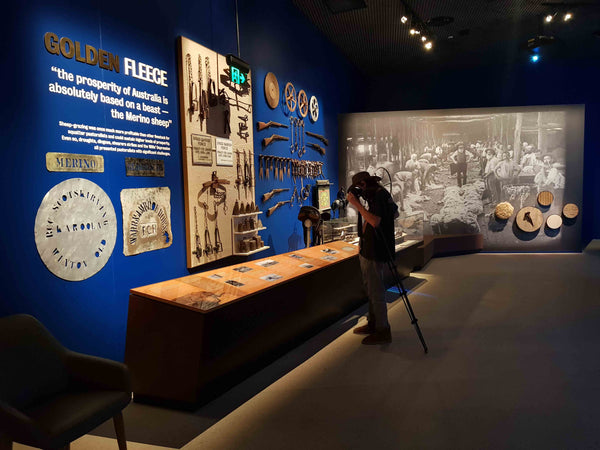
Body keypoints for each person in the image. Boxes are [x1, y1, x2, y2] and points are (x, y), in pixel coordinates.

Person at [347, 171, 399, 345]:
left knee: (376, 291)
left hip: (376, 250)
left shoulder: (378, 195)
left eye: (358, 188)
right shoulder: (378, 194)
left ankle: (383, 331)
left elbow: (375, 221)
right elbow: (395, 213)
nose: (359, 193)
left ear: (363, 184)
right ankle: (373, 323)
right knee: (371, 289)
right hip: (369, 248)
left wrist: (357, 205)